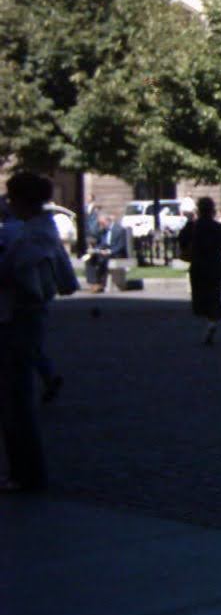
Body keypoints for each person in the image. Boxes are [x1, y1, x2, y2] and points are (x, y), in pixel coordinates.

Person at [1, 172, 78, 492]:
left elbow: (11, 269)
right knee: (13, 396)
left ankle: (27, 473)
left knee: (16, 398)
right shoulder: (34, 230)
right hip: (23, 314)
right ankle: (23, 470)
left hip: (22, 315)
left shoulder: (35, 234)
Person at [178, 197, 221, 345]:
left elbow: (181, 242)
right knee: (214, 296)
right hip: (216, 266)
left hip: (199, 267)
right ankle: (212, 320)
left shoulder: (192, 227)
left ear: (199, 211)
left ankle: (207, 321)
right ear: (213, 211)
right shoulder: (220, 228)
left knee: (200, 299)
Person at [83, 211, 128, 293]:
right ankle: (93, 282)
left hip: (116, 253)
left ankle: (101, 283)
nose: (101, 225)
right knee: (89, 258)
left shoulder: (119, 230)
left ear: (107, 221)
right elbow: (102, 243)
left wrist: (110, 252)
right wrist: (95, 250)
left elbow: (121, 246)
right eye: (100, 223)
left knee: (103, 259)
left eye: (102, 223)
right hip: (105, 251)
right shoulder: (104, 230)